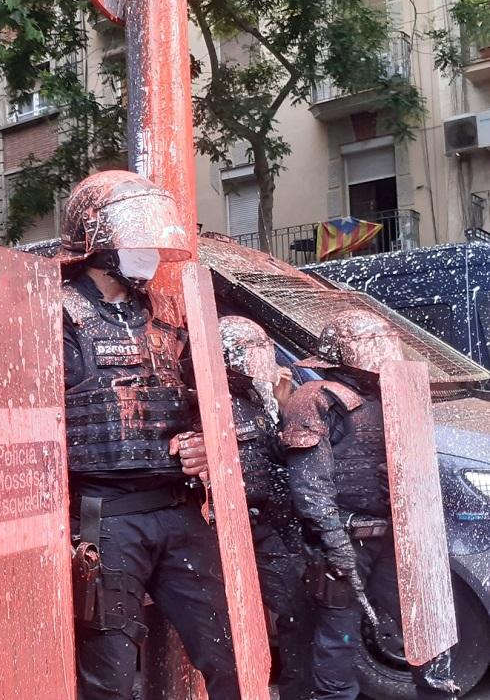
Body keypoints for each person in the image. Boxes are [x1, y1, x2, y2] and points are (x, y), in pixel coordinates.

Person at [58, 170, 240, 699]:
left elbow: (212, 405)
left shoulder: (168, 314)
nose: (151, 251)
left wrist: (208, 444)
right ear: (97, 242)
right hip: (103, 518)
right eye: (138, 237)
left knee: (229, 652)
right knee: (110, 674)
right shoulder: (53, 314)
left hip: (179, 511)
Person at [281, 311, 458, 699]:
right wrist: (335, 543)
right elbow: (310, 486)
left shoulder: (393, 394)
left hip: (394, 533)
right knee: (337, 637)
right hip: (346, 536)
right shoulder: (317, 399)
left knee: (425, 627)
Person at [219, 315, 309, 700]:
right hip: (229, 522)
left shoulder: (257, 397)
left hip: (268, 520)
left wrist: (285, 407)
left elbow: (274, 456)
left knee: (297, 610)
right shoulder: (207, 397)